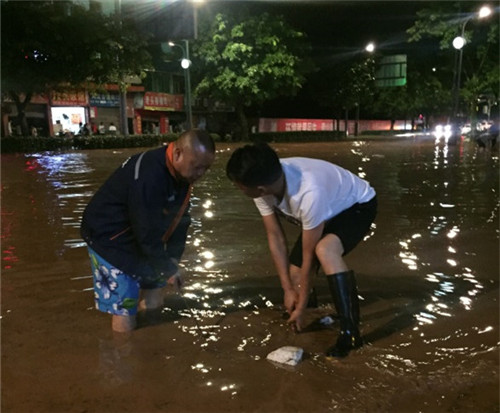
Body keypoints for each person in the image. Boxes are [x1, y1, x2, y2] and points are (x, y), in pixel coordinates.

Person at [226, 142, 377, 358]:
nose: (240, 190)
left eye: (240, 187)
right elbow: (275, 237)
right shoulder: (265, 182)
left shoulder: (308, 193)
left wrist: (301, 302)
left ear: (259, 189)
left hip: (357, 205)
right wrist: (288, 289)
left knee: (324, 250)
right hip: (327, 208)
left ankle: (350, 333)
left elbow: (309, 257)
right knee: (295, 276)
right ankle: (310, 311)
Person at [81, 129, 216, 333]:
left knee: (156, 293)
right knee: (126, 305)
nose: (200, 174)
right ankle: (124, 345)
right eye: (197, 167)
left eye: (206, 168)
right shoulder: (149, 175)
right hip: (109, 238)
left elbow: (180, 221)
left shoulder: (183, 177)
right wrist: (166, 267)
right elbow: (146, 230)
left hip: (143, 238)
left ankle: (152, 340)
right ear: (178, 153)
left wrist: (172, 260)